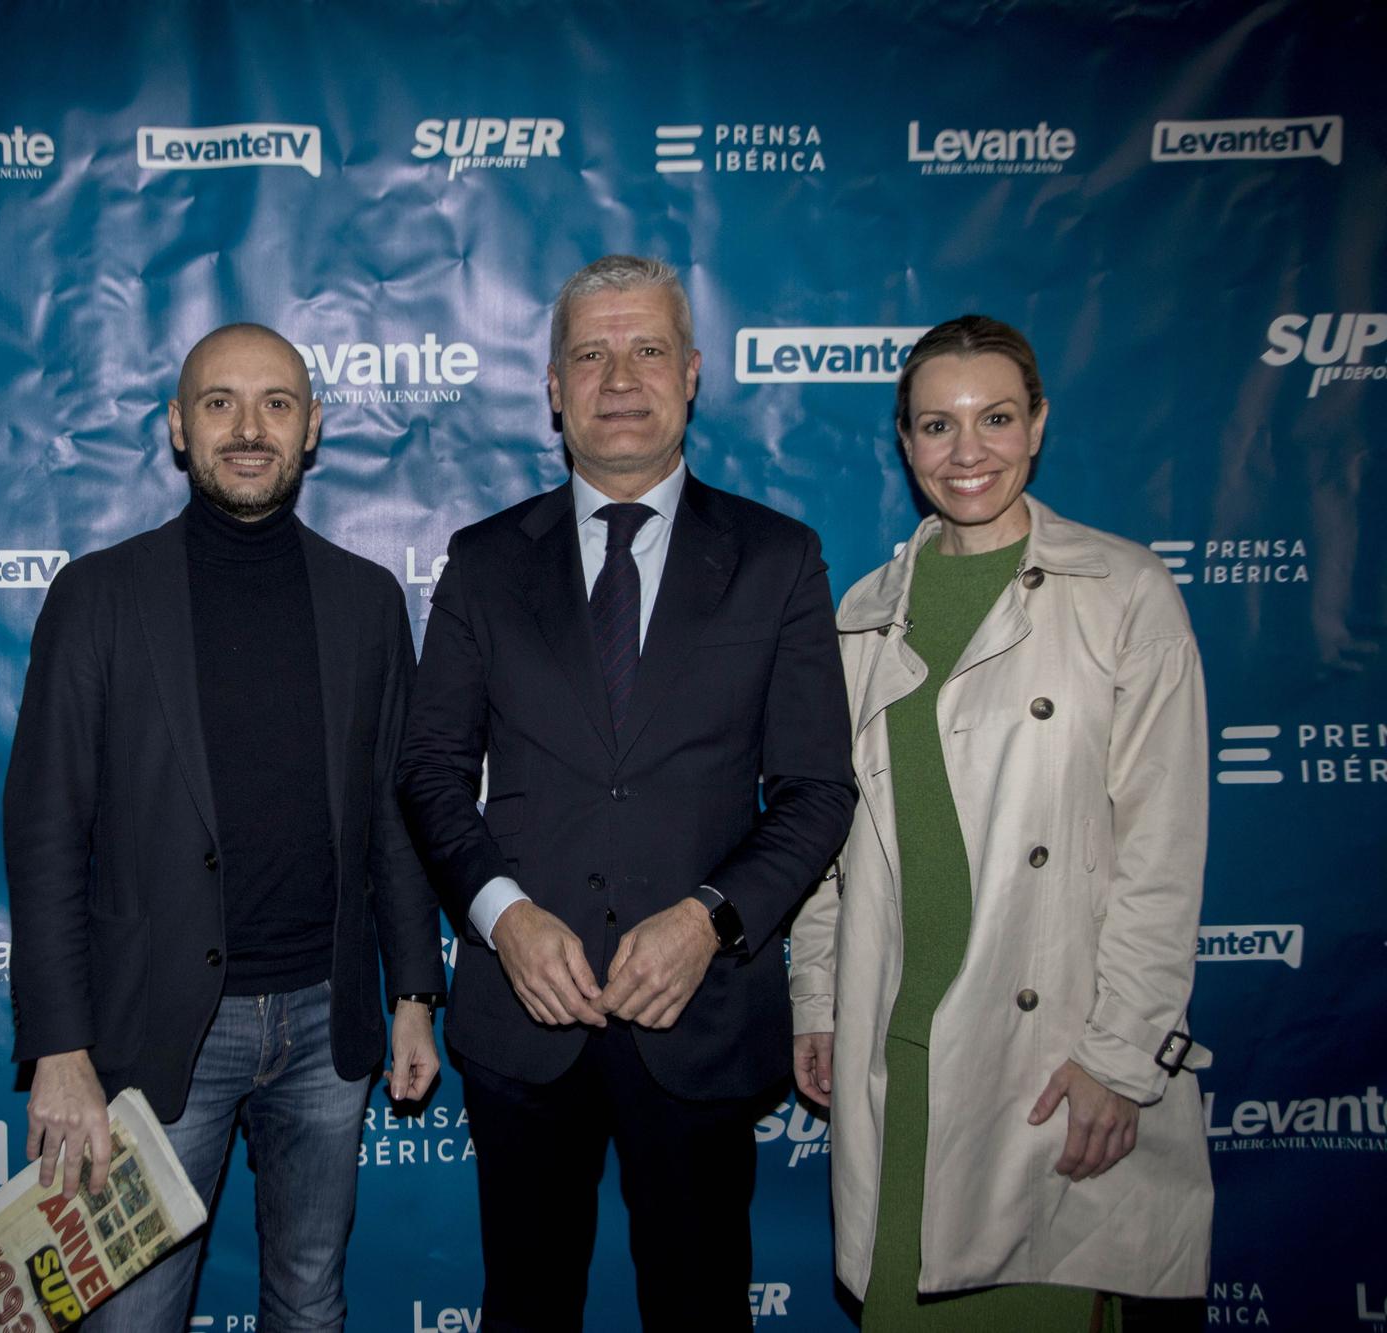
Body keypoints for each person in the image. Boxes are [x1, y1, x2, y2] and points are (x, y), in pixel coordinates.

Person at [397, 255, 857, 1332]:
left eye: (645, 348)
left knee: (699, 1310)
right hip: (522, 1018)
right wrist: (501, 919)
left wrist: (709, 920)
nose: (618, 376)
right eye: (588, 353)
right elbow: (426, 770)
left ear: (690, 374)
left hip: (698, 1015)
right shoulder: (479, 559)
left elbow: (814, 790)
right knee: (526, 1306)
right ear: (552, 387)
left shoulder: (777, 559)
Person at [6, 322, 445, 1332]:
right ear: (176, 428)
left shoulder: (366, 600)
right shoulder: (98, 596)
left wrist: (414, 990)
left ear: (312, 427)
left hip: (323, 1028)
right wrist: (59, 1048)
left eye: (275, 404)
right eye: (218, 403)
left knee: (307, 1295)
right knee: (133, 1314)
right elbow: (43, 829)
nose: (248, 428)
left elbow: (393, 812)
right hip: (156, 1032)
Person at [788, 314, 1214, 1329]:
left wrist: (1120, 1060)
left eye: (993, 418)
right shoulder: (860, 613)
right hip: (900, 1051)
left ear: (1037, 426)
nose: (965, 450)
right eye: (936, 425)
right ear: (903, 442)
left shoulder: (1120, 593)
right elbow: (826, 842)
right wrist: (815, 996)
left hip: (1045, 1067)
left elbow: (1161, 850)